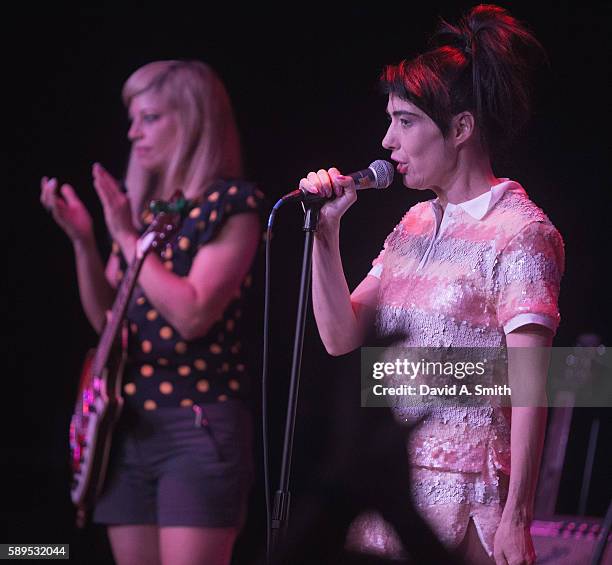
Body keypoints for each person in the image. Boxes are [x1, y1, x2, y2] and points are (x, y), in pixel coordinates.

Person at [299, 5, 564, 565]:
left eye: (406, 121)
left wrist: (518, 517)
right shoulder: (414, 224)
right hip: (390, 490)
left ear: (461, 128)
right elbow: (341, 336)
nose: (387, 140)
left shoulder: (520, 232)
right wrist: (325, 235)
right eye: (391, 120)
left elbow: (532, 386)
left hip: (466, 495)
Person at [40, 60, 265, 565]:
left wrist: (124, 237)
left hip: (197, 426)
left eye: (149, 117)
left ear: (190, 119)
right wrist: (83, 242)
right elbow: (108, 322)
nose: (133, 132)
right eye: (132, 119)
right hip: (126, 429)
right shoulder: (152, 214)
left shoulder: (233, 205)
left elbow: (193, 314)